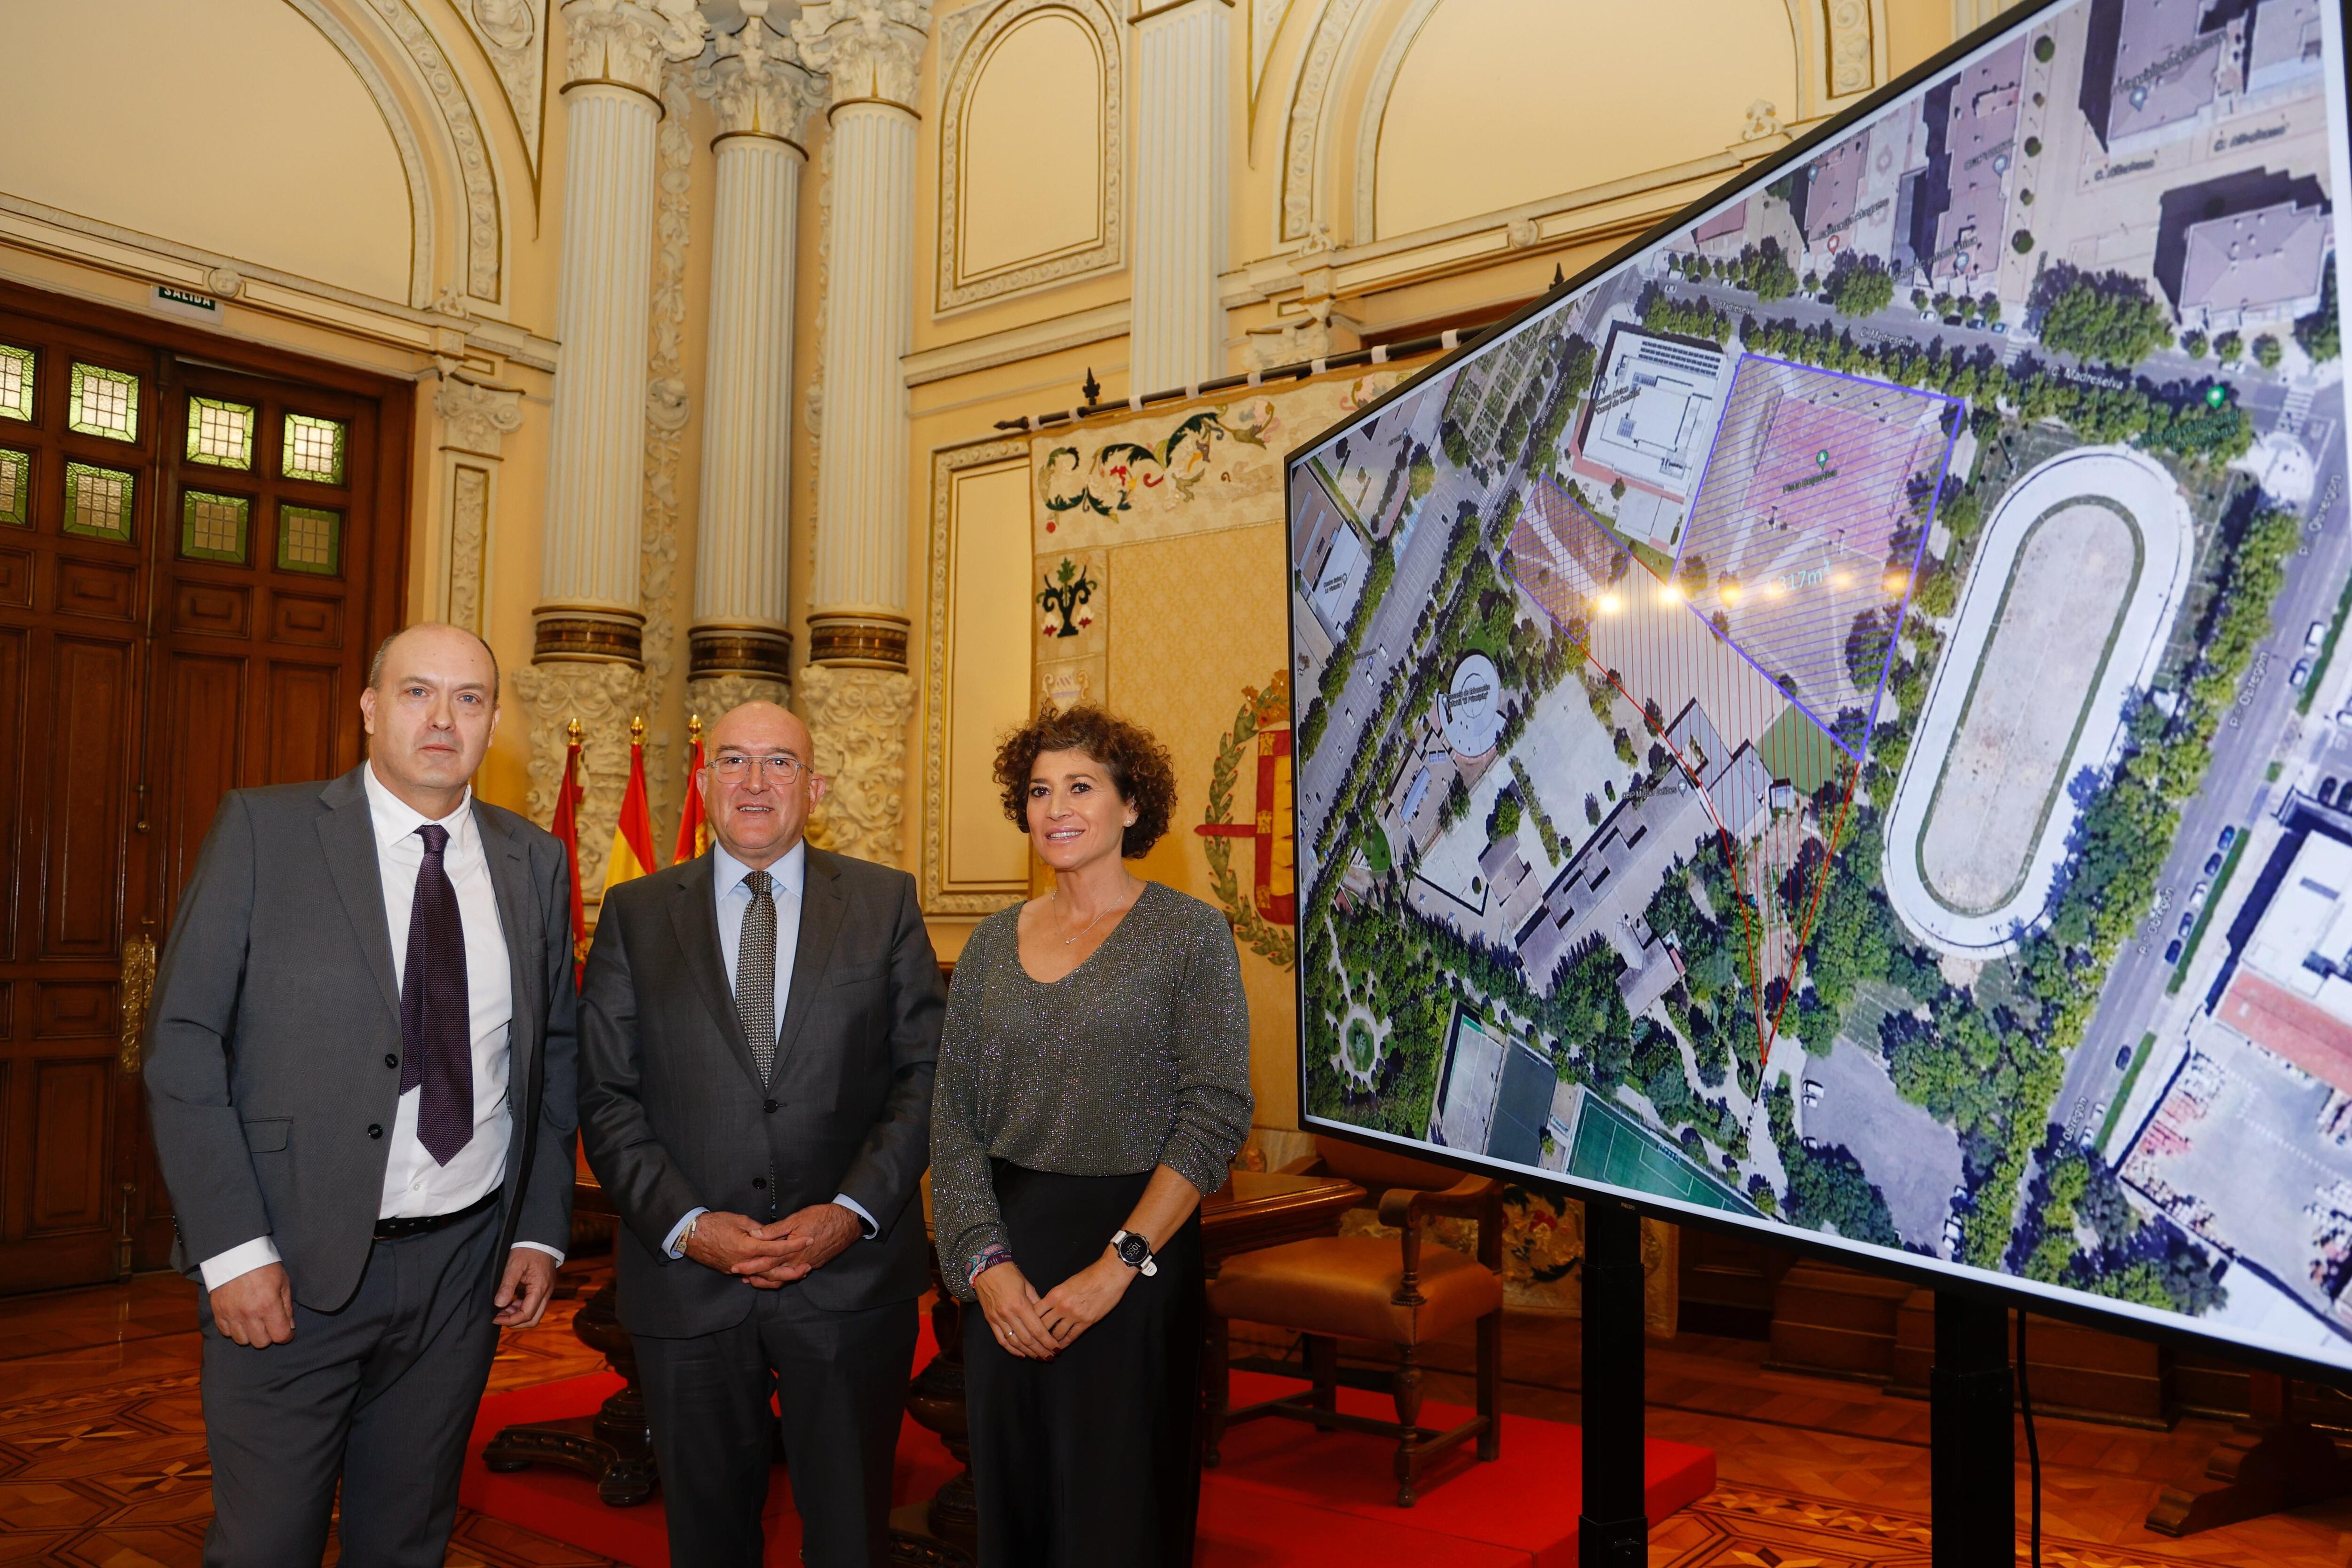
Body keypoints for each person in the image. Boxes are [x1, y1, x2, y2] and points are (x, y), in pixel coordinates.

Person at [144, 623, 579, 1568]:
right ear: (371, 708)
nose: (442, 718)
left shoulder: (531, 860)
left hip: (462, 1274)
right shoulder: (265, 829)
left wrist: (539, 1227)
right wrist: (230, 1250)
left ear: (492, 723)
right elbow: (182, 1043)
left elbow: (549, 1053)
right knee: (266, 1545)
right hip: (289, 1270)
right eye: (418, 692)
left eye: (468, 699)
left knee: (407, 1542)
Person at [578, 700, 942, 1568]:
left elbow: (926, 1077)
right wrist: (690, 1225)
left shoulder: (884, 903)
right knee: (707, 1537)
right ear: (704, 783)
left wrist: (849, 1212)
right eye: (733, 760)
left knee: (850, 1534)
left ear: (813, 787)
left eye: (779, 763)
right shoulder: (632, 912)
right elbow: (606, 1093)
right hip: (687, 1280)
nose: (754, 781)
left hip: (849, 1279)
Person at [930, 703, 1253, 1567]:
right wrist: (982, 1265)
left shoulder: (1190, 934)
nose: (1056, 807)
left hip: (1139, 1256)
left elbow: (1216, 1111)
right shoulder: (993, 943)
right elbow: (952, 1115)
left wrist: (1119, 1267)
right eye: (1039, 790)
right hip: (1009, 1259)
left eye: (1081, 786)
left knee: (1120, 1516)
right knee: (1017, 1510)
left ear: (1131, 806)